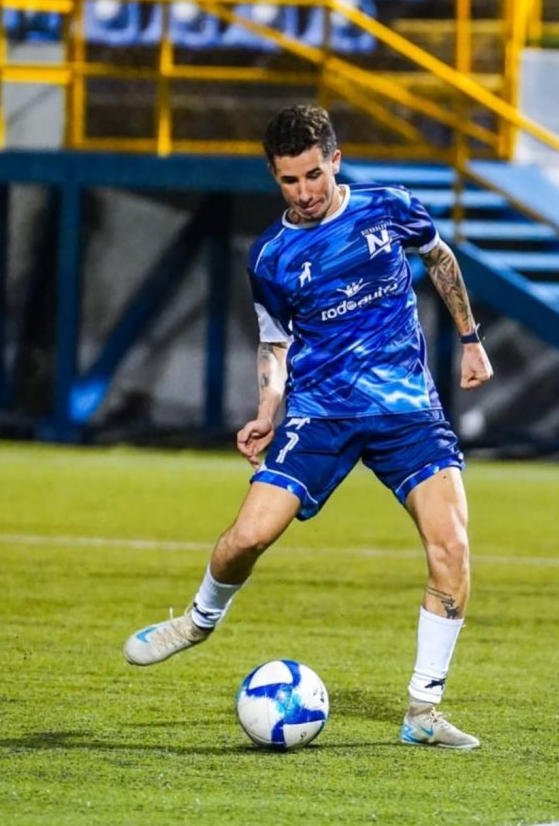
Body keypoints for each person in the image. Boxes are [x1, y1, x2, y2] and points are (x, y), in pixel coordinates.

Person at [124, 104, 493, 749]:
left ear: (335, 161)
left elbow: (439, 259)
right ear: (275, 178)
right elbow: (274, 342)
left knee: (452, 547)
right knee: (245, 537)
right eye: (289, 181)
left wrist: (469, 339)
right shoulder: (270, 255)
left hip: (407, 412)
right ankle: (199, 620)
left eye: (313, 176)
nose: (304, 192)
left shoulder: (389, 208)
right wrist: (268, 410)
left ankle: (422, 711)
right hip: (319, 413)